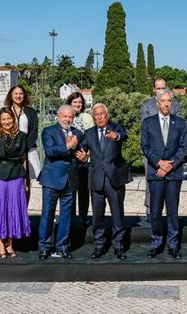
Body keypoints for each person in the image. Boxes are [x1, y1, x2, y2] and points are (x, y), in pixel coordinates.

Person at [141, 89, 187, 259]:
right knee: (155, 212)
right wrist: (159, 163)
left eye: (169, 101)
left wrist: (171, 165)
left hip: (173, 174)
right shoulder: (148, 123)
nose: (166, 104)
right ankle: (156, 243)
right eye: (163, 101)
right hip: (156, 174)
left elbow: (183, 147)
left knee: (173, 212)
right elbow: (145, 147)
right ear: (157, 103)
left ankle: (173, 244)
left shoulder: (181, 123)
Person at [38, 104, 87, 259]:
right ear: (57, 116)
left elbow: (81, 154)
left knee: (66, 216)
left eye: (70, 116)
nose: (67, 119)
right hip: (52, 179)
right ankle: (44, 246)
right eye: (64, 116)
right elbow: (51, 152)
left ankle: (62, 246)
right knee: (47, 215)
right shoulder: (48, 131)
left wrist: (84, 158)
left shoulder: (79, 133)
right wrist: (68, 146)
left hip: (70, 180)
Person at [81, 103, 129, 260]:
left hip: (114, 178)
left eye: (102, 114)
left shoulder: (117, 127)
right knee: (97, 216)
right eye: (96, 114)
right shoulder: (88, 133)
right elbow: (82, 150)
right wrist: (81, 155)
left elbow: (123, 135)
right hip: (96, 180)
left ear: (107, 115)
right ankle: (99, 246)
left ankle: (119, 246)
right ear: (93, 117)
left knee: (117, 215)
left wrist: (117, 136)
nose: (100, 116)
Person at [0, 107, 31, 258]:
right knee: (0, 210)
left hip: (16, 175)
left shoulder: (22, 136)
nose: (6, 122)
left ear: (13, 119)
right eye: (3, 119)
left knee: (13, 210)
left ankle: (10, 242)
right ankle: (0, 242)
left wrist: (26, 179)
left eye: (9, 118)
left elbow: (24, 159)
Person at [140, 77, 182, 219]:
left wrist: (168, 163)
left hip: (171, 156)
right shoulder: (146, 105)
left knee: (171, 190)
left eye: (163, 87)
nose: (161, 90)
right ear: (153, 89)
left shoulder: (174, 104)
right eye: (158, 88)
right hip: (152, 154)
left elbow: (177, 130)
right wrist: (158, 161)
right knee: (151, 181)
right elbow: (145, 130)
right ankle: (150, 210)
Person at [4, 85, 40, 187]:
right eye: (16, 94)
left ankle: (25, 203)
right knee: (12, 180)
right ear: (11, 96)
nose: (18, 96)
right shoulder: (6, 111)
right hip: (10, 151)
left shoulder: (31, 112)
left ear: (24, 96)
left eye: (21, 94)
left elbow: (34, 132)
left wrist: (23, 148)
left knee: (27, 183)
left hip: (28, 150)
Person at [67, 91, 94, 225]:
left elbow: (92, 137)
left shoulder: (88, 117)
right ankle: (70, 217)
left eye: (79, 102)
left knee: (84, 190)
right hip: (70, 159)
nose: (77, 104)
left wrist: (87, 154)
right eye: (75, 102)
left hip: (85, 159)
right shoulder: (66, 116)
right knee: (70, 191)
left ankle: (83, 216)